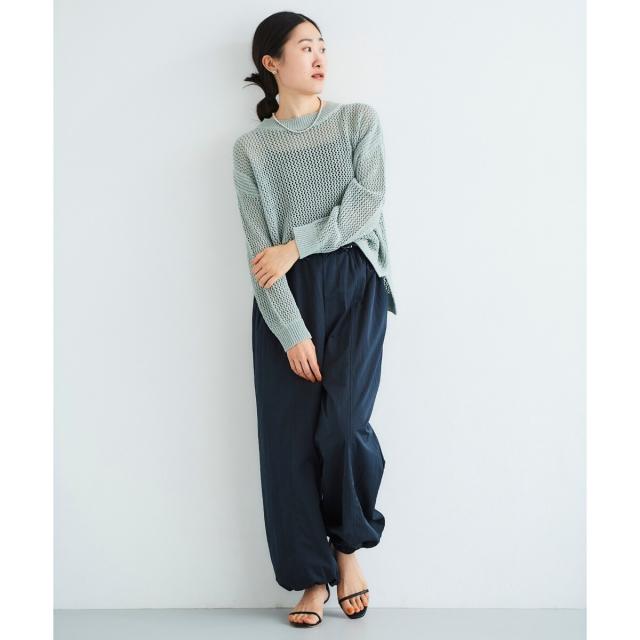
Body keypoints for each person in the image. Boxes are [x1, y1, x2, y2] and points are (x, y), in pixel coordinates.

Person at [231, 11, 398, 628]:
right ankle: (310, 578)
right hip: (285, 301)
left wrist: (299, 244)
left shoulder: (357, 121)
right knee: (288, 444)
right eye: (305, 47)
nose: (320, 56)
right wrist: (291, 330)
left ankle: (347, 550)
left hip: (355, 284)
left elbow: (367, 202)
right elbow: (260, 253)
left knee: (345, 426)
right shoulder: (251, 150)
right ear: (271, 63)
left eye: (322, 46)